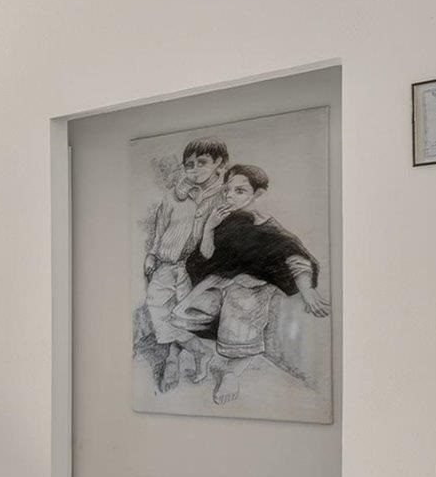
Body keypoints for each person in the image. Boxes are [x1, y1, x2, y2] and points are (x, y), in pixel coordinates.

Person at [171, 163, 329, 403]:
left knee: (241, 309)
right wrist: (209, 229)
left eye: (240, 191)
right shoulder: (225, 221)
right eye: (228, 190)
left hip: (255, 285)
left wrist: (307, 291)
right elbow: (206, 257)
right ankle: (202, 352)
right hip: (220, 280)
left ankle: (232, 373)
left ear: (258, 194)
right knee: (187, 311)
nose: (230, 196)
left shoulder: (269, 227)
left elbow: (295, 258)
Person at [141, 137, 228, 391]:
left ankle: (175, 358)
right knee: (156, 306)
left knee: (180, 314)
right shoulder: (174, 196)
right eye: (189, 165)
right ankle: (198, 351)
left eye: (202, 163)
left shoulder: (222, 197)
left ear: (218, 163)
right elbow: (160, 228)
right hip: (168, 263)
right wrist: (152, 254)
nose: (195, 169)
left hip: (196, 267)